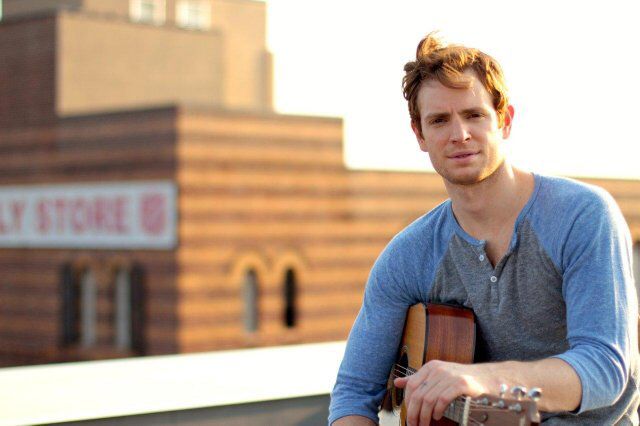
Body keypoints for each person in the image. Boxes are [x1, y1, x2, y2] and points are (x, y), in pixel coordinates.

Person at [328, 32, 639, 425]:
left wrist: (480, 379)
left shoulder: (583, 215)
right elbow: (354, 392)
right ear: (420, 135)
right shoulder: (408, 256)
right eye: (439, 120)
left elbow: (605, 368)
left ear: (504, 120)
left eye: (473, 115)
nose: (459, 135)